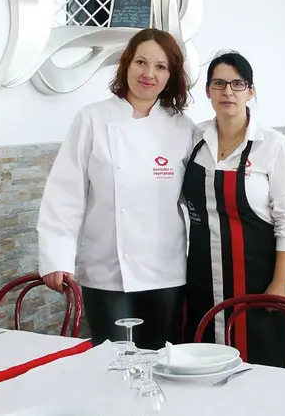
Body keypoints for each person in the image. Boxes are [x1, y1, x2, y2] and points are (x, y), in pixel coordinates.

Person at [36, 28, 197, 350]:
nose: (148, 74)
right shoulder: (92, 119)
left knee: (163, 362)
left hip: (166, 269)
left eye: (161, 67)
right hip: (108, 268)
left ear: (171, 75)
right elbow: (65, 193)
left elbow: (198, 199)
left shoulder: (183, 128)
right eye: (141, 62)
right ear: (126, 65)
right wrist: (56, 257)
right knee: (112, 360)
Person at [182, 51, 285, 368]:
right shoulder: (195, 137)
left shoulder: (272, 145)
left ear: (251, 90)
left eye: (238, 83)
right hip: (202, 278)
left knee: (260, 366)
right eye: (219, 83)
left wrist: (280, 281)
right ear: (207, 91)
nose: (228, 92)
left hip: (256, 279)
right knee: (204, 364)